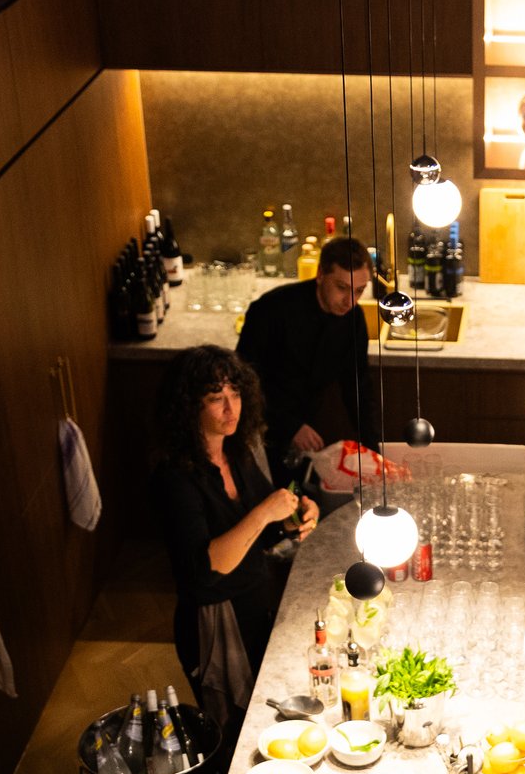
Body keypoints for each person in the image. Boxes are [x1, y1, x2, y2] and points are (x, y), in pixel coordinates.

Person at [146, 346, 318, 733]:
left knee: (263, 714)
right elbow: (209, 567)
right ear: (189, 407)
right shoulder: (174, 478)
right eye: (216, 399)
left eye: (235, 395)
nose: (231, 409)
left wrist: (293, 518)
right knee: (231, 730)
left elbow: (261, 532)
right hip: (213, 622)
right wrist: (264, 512)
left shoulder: (237, 452)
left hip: (255, 603)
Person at [233, 232, 378, 478]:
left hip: (306, 424)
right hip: (256, 426)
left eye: (360, 290)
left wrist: (375, 450)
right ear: (321, 274)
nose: (350, 301)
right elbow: (243, 382)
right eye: (342, 288)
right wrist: (289, 426)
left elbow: (358, 387)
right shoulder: (271, 311)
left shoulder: (353, 320)